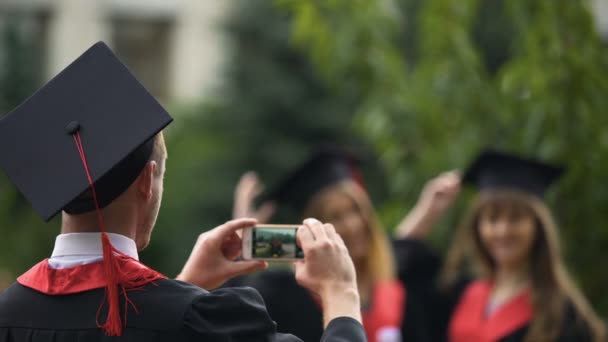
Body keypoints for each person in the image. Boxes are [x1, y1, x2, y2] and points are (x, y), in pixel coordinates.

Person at [0, 42, 366, 342]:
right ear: (148, 180)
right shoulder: (200, 320)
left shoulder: (9, 315)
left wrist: (186, 285)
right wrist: (341, 293)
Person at [393, 150, 606, 341]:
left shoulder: (560, 314)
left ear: (537, 227)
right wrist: (428, 211)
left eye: (516, 219)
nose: (502, 231)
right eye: (492, 219)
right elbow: (399, 261)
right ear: (478, 227)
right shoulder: (459, 294)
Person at [230, 147, 405, 342]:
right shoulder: (284, 293)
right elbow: (235, 316)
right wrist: (243, 247)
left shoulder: (393, 285)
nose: (352, 225)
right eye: (335, 217)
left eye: (356, 210)